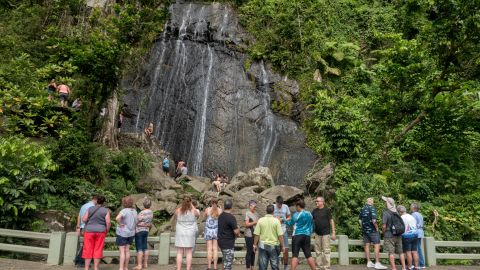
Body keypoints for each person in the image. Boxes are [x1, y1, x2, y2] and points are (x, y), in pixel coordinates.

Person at [284, 200, 316, 270]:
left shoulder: (297, 214)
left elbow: (290, 223)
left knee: (295, 255)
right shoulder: (309, 214)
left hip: (297, 235)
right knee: (308, 255)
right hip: (307, 236)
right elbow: (312, 225)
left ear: (298, 206)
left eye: (296, 206)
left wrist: (283, 220)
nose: (295, 208)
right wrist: (309, 233)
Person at [81, 195, 110, 270]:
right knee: (98, 249)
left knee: (88, 248)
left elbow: (84, 219)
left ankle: (86, 268)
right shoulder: (106, 210)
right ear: (103, 202)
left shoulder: (90, 208)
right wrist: (107, 230)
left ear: (96, 201)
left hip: (89, 231)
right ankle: (96, 268)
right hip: (100, 231)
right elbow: (108, 222)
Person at [253, 204, 285, 270]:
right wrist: (283, 246)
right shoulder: (276, 221)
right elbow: (280, 235)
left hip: (262, 246)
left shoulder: (260, 220)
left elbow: (257, 235)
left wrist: (254, 245)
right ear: (273, 211)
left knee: (262, 267)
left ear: (266, 211)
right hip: (273, 246)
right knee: (275, 266)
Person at [359, 198, 387, 269]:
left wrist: (363, 227)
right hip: (373, 231)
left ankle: (368, 262)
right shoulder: (372, 208)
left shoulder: (362, 208)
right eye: (373, 201)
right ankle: (377, 263)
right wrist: (377, 228)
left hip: (365, 231)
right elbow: (374, 220)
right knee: (377, 245)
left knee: (367, 245)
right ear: (371, 202)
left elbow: (360, 220)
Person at [174, 196, 200, 270]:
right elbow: (197, 216)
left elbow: (176, 216)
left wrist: (183, 205)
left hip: (180, 233)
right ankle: (188, 268)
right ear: (190, 202)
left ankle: (178, 268)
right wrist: (191, 205)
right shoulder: (194, 211)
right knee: (189, 252)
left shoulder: (178, 210)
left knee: (179, 252)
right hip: (190, 233)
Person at [382, 196, 406, 270]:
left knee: (391, 253)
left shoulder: (386, 213)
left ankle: (394, 268)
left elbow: (383, 226)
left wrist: (383, 232)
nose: (385, 203)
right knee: (401, 252)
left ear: (388, 203)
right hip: (398, 234)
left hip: (389, 235)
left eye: (386, 202)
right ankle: (404, 268)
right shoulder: (397, 212)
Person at [312, 196, 336, 270]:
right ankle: (319, 266)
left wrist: (333, 232)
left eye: (318, 201)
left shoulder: (327, 210)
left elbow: (331, 221)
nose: (316, 202)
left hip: (326, 233)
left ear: (322, 202)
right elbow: (310, 221)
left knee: (326, 251)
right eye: (316, 201)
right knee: (318, 251)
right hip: (317, 233)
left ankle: (326, 267)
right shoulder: (314, 211)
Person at [75, 195, 98, 267]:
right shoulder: (92, 207)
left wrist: (78, 227)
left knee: (87, 244)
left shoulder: (84, 205)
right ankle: (79, 260)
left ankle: (79, 260)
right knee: (88, 245)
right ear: (96, 200)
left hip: (82, 227)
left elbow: (79, 216)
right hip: (88, 227)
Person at [116, 196, 138, 270]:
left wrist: (120, 224)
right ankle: (126, 267)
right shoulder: (134, 211)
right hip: (131, 233)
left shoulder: (124, 211)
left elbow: (117, 218)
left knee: (122, 251)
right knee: (127, 250)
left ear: (124, 203)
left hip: (123, 233)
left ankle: (121, 268)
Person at [218, 199, 240, 270]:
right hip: (228, 243)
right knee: (228, 264)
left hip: (221, 241)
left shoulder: (220, 216)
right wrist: (238, 229)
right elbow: (236, 232)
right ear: (231, 207)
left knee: (224, 260)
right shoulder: (231, 217)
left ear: (224, 206)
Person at [133, 199, 153, 270]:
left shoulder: (142, 212)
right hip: (146, 230)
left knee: (139, 248)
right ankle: (145, 263)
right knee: (145, 247)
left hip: (139, 231)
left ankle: (139, 265)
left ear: (143, 204)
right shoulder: (151, 212)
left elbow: (136, 221)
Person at [398, 205, 419, 270]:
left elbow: (400, 228)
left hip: (407, 236)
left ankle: (410, 267)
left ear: (400, 212)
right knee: (414, 252)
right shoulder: (411, 216)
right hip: (415, 235)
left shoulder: (401, 217)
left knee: (408, 252)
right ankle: (416, 266)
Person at [273, 196, 291, 270]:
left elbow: (289, 217)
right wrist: (275, 219)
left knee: (285, 249)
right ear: (276, 202)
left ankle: (286, 266)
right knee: (275, 249)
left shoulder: (286, 207)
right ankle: (275, 265)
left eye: (281, 204)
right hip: (274, 230)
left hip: (283, 229)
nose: (279, 206)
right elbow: (269, 216)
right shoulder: (273, 206)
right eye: (278, 204)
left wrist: (284, 220)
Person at [203, 198, 222, 270]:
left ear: (211, 203)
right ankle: (215, 267)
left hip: (208, 231)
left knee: (209, 249)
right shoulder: (220, 210)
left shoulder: (207, 210)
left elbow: (205, 217)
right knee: (215, 249)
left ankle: (209, 267)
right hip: (216, 231)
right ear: (217, 203)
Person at [244, 200, 259, 270]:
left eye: (255, 206)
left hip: (255, 235)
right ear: (250, 206)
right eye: (253, 206)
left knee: (254, 251)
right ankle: (248, 267)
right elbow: (246, 224)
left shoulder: (256, 214)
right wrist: (255, 222)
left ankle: (252, 267)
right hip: (249, 235)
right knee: (249, 252)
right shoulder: (247, 213)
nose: (254, 207)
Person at [410, 203, 425, 269]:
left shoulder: (413, 214)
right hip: (420, 232)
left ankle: (419, 264)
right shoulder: (420, 214)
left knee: (417, 249)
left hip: (416, 232)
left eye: (411, 206)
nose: (410, 207)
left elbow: (412, 224)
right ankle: (421, 264)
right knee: (419, 248)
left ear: (414, 208)